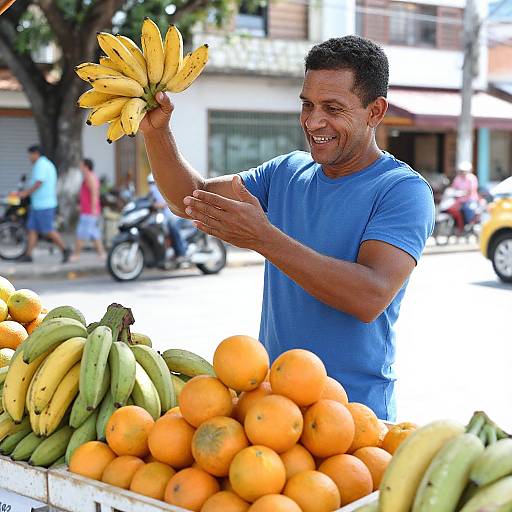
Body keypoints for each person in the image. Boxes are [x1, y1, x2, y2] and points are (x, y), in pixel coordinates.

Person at [140, 36, 435, 421]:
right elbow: (192, 198)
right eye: (307, 105)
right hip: (272, 407)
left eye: (333, 108)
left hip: (354, 418)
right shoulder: (287, 172)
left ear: (375, 111)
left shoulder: (403, 191)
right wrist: (156, 132)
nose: (313, 121)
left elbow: (370, 295)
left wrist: (265, 238)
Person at [15, 145, 71, 263]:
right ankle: (29, 255)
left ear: (36, 154)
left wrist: (25, 193)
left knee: (48, 230)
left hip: (45, 204)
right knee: (32, 229)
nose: (29, 157)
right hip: (38, 204)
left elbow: (38, 182)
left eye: (30, 155)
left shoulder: (41, 164)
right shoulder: (42, 164)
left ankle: (65, 249)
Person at [70, 158, 106, 262]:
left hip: (89, 212)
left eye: (81, 165)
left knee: (81, 233)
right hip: (88, 210)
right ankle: (102, 254)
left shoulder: (90, 177)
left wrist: (93, 209)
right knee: (94, 234)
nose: (80, 167)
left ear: (86, 166)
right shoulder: (88, 177)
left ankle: (76, 255)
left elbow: (94, 193)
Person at [146, 173, 189, 260]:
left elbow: (166, 203)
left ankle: (181, 252)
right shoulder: (152, 193)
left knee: (172, 226)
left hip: (173, 215)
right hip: (162, 217)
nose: (151, 185)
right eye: (150, 183)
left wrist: (157, 206)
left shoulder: (165, 189)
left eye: (153, 183)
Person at [447, 161, 479, 234]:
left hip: (469, 200)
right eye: (461, 171)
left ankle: (468, 224)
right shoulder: (457, 179)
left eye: (464, 171)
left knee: (466, 209)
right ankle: (457, 227)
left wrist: (463, 193)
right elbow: (453, 188)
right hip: (459, 200)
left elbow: (471, 190)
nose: (462, 173)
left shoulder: (471, 178)